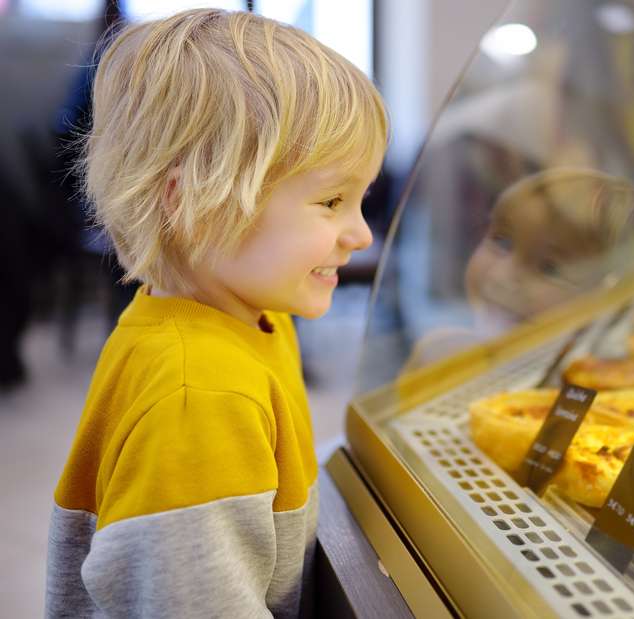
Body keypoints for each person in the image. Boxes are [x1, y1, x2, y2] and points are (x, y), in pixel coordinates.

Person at [45, 9, 386, 617]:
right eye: (333, 200)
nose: (360, 234)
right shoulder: (198, 397)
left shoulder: (255, 317)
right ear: (194, 204)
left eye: (360, 200)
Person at [404, 167, 634, 370]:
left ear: (623, 309)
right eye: (502, 241)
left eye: (550, 268)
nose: (502, 277)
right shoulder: (444, 357)